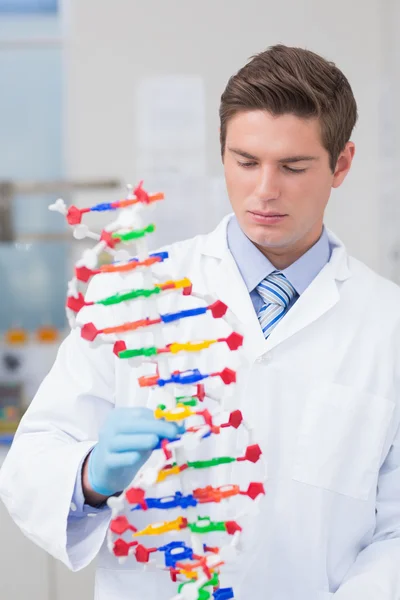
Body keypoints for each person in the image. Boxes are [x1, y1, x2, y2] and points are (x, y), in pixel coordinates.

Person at [1, 43, 400, 600]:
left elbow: (396, 530)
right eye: (245, 161)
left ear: (342, 164)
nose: (265, 189)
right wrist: (91, 476)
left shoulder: (387, 326)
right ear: (223, 155)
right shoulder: (131, 297)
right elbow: (30, 465)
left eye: (292, 166)